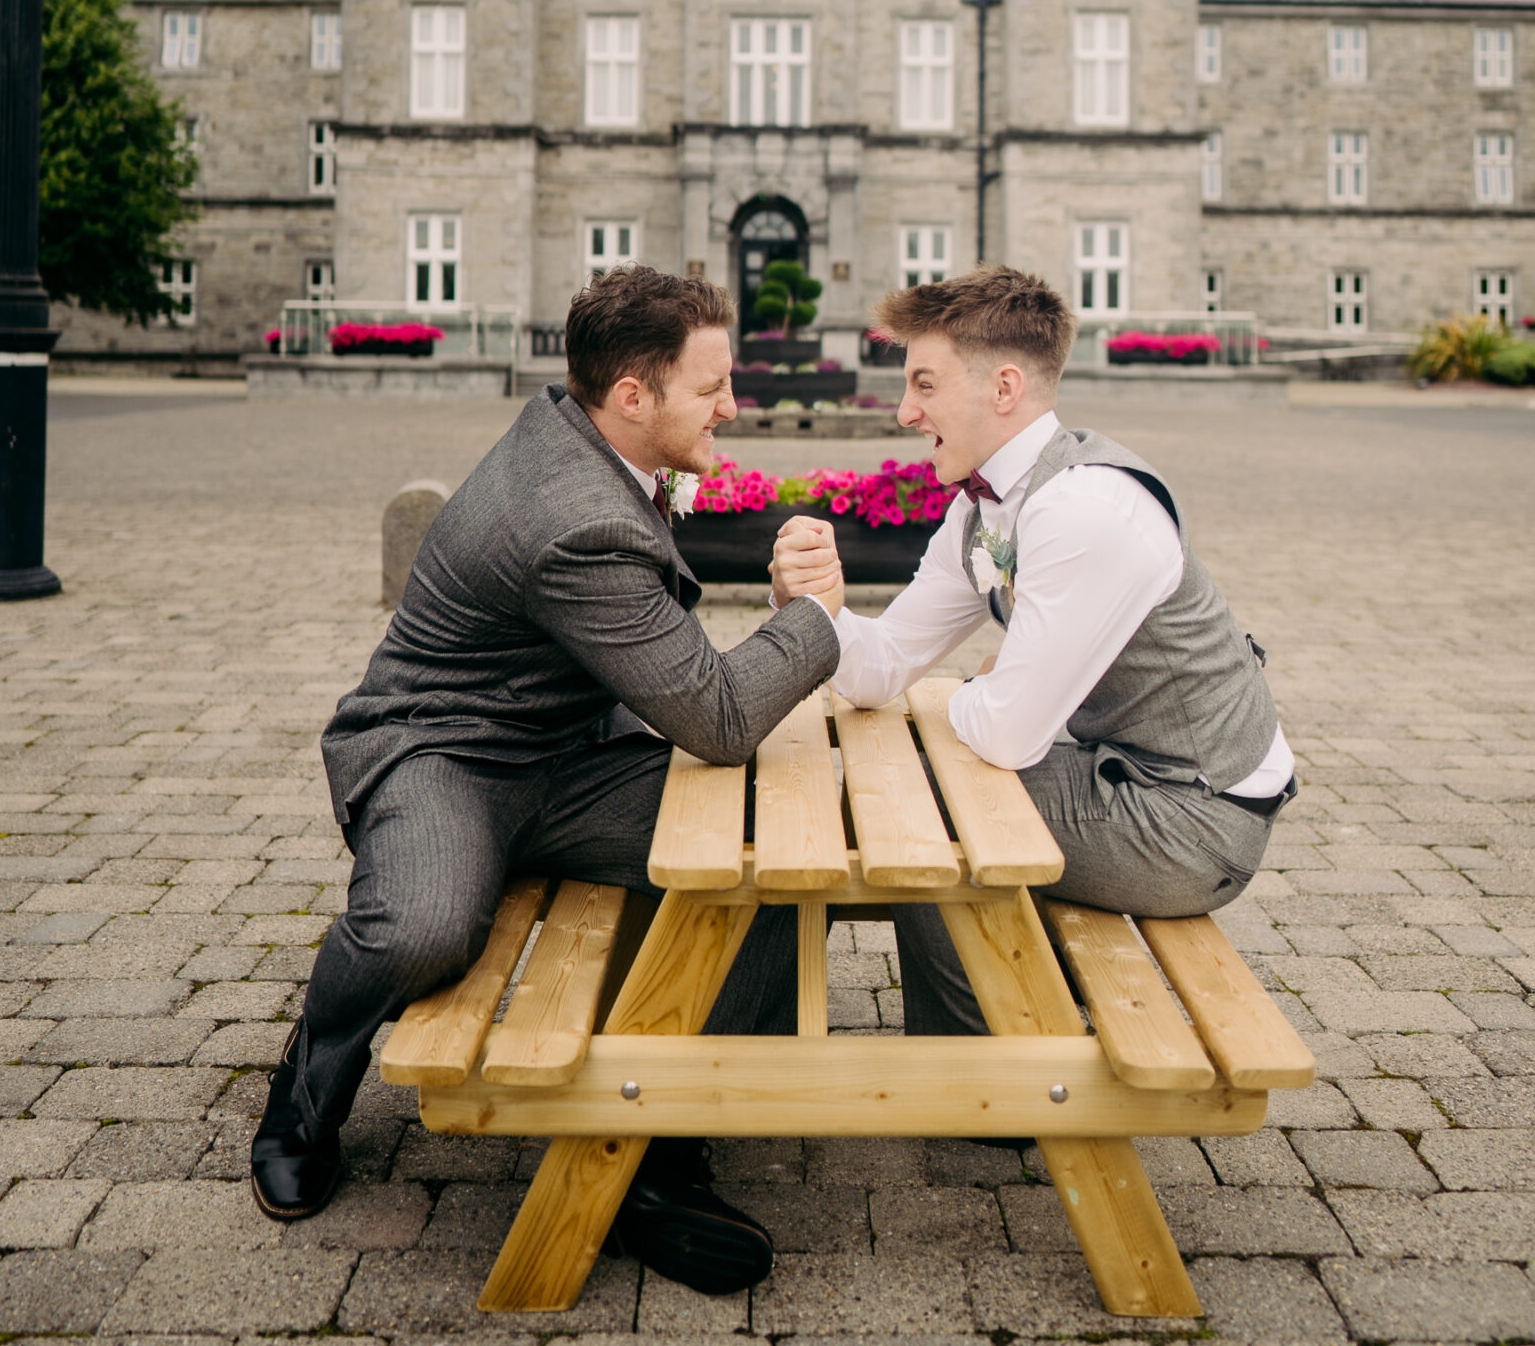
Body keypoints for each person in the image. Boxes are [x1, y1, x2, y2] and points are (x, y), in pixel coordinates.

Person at [252, 264, 843, 1292]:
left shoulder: (590, 441)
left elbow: (673, 674)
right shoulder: (574, 513)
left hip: (568, 754)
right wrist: (810, 617)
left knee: (778, 862)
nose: (732, 405)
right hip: (445, 753)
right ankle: (308, 1083)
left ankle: (655, 1151)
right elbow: (718, 715)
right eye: (711, 387)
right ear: (631, 396)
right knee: (427, 925)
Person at [769, 263, 1295, 1038]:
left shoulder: (1083, 508)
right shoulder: (986, 502)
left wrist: (986, 692)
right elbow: (879, 669)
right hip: (1120, 769)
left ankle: (991, 1066)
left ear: (1004, 388)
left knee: (919, 818)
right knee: (898, 790)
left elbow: (1010, 731)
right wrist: (809, 606)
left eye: (924, 385)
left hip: (1195, 815)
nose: (906, 411)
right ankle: (941, 1028)